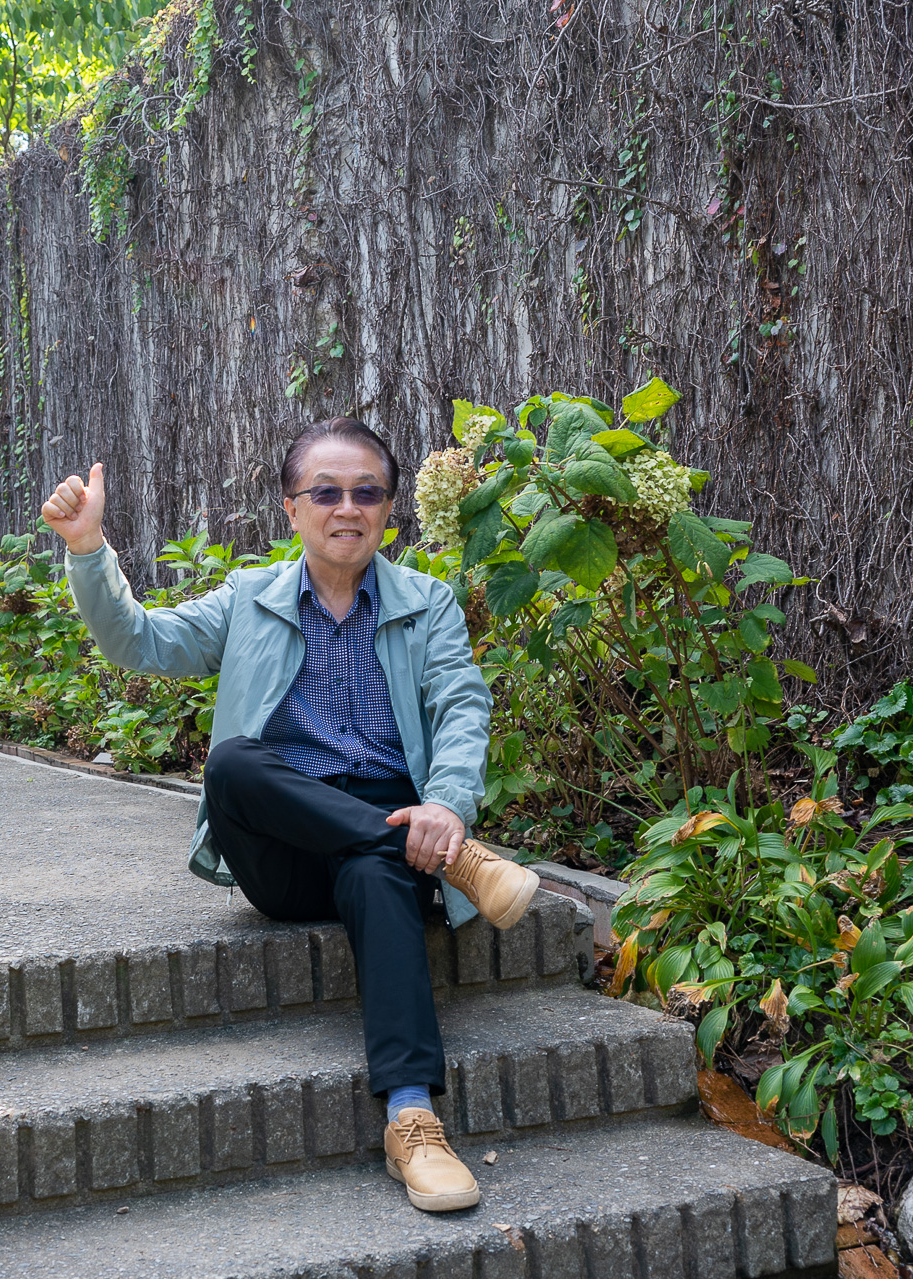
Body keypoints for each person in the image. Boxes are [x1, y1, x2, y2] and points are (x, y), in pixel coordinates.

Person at [40, 417, 542, 1213]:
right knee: (234, 762)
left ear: (389, 508)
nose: (348, 508)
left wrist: (446, 804)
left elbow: (462, 707)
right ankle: (455, 862)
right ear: (291, 507)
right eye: (326, 491)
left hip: (388, 838)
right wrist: (87, 547)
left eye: (367, 492)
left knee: (377, 865)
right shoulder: (250, 598)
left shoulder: (427, 604)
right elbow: (142, 641)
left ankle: (412, 1119)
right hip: (281, 843)